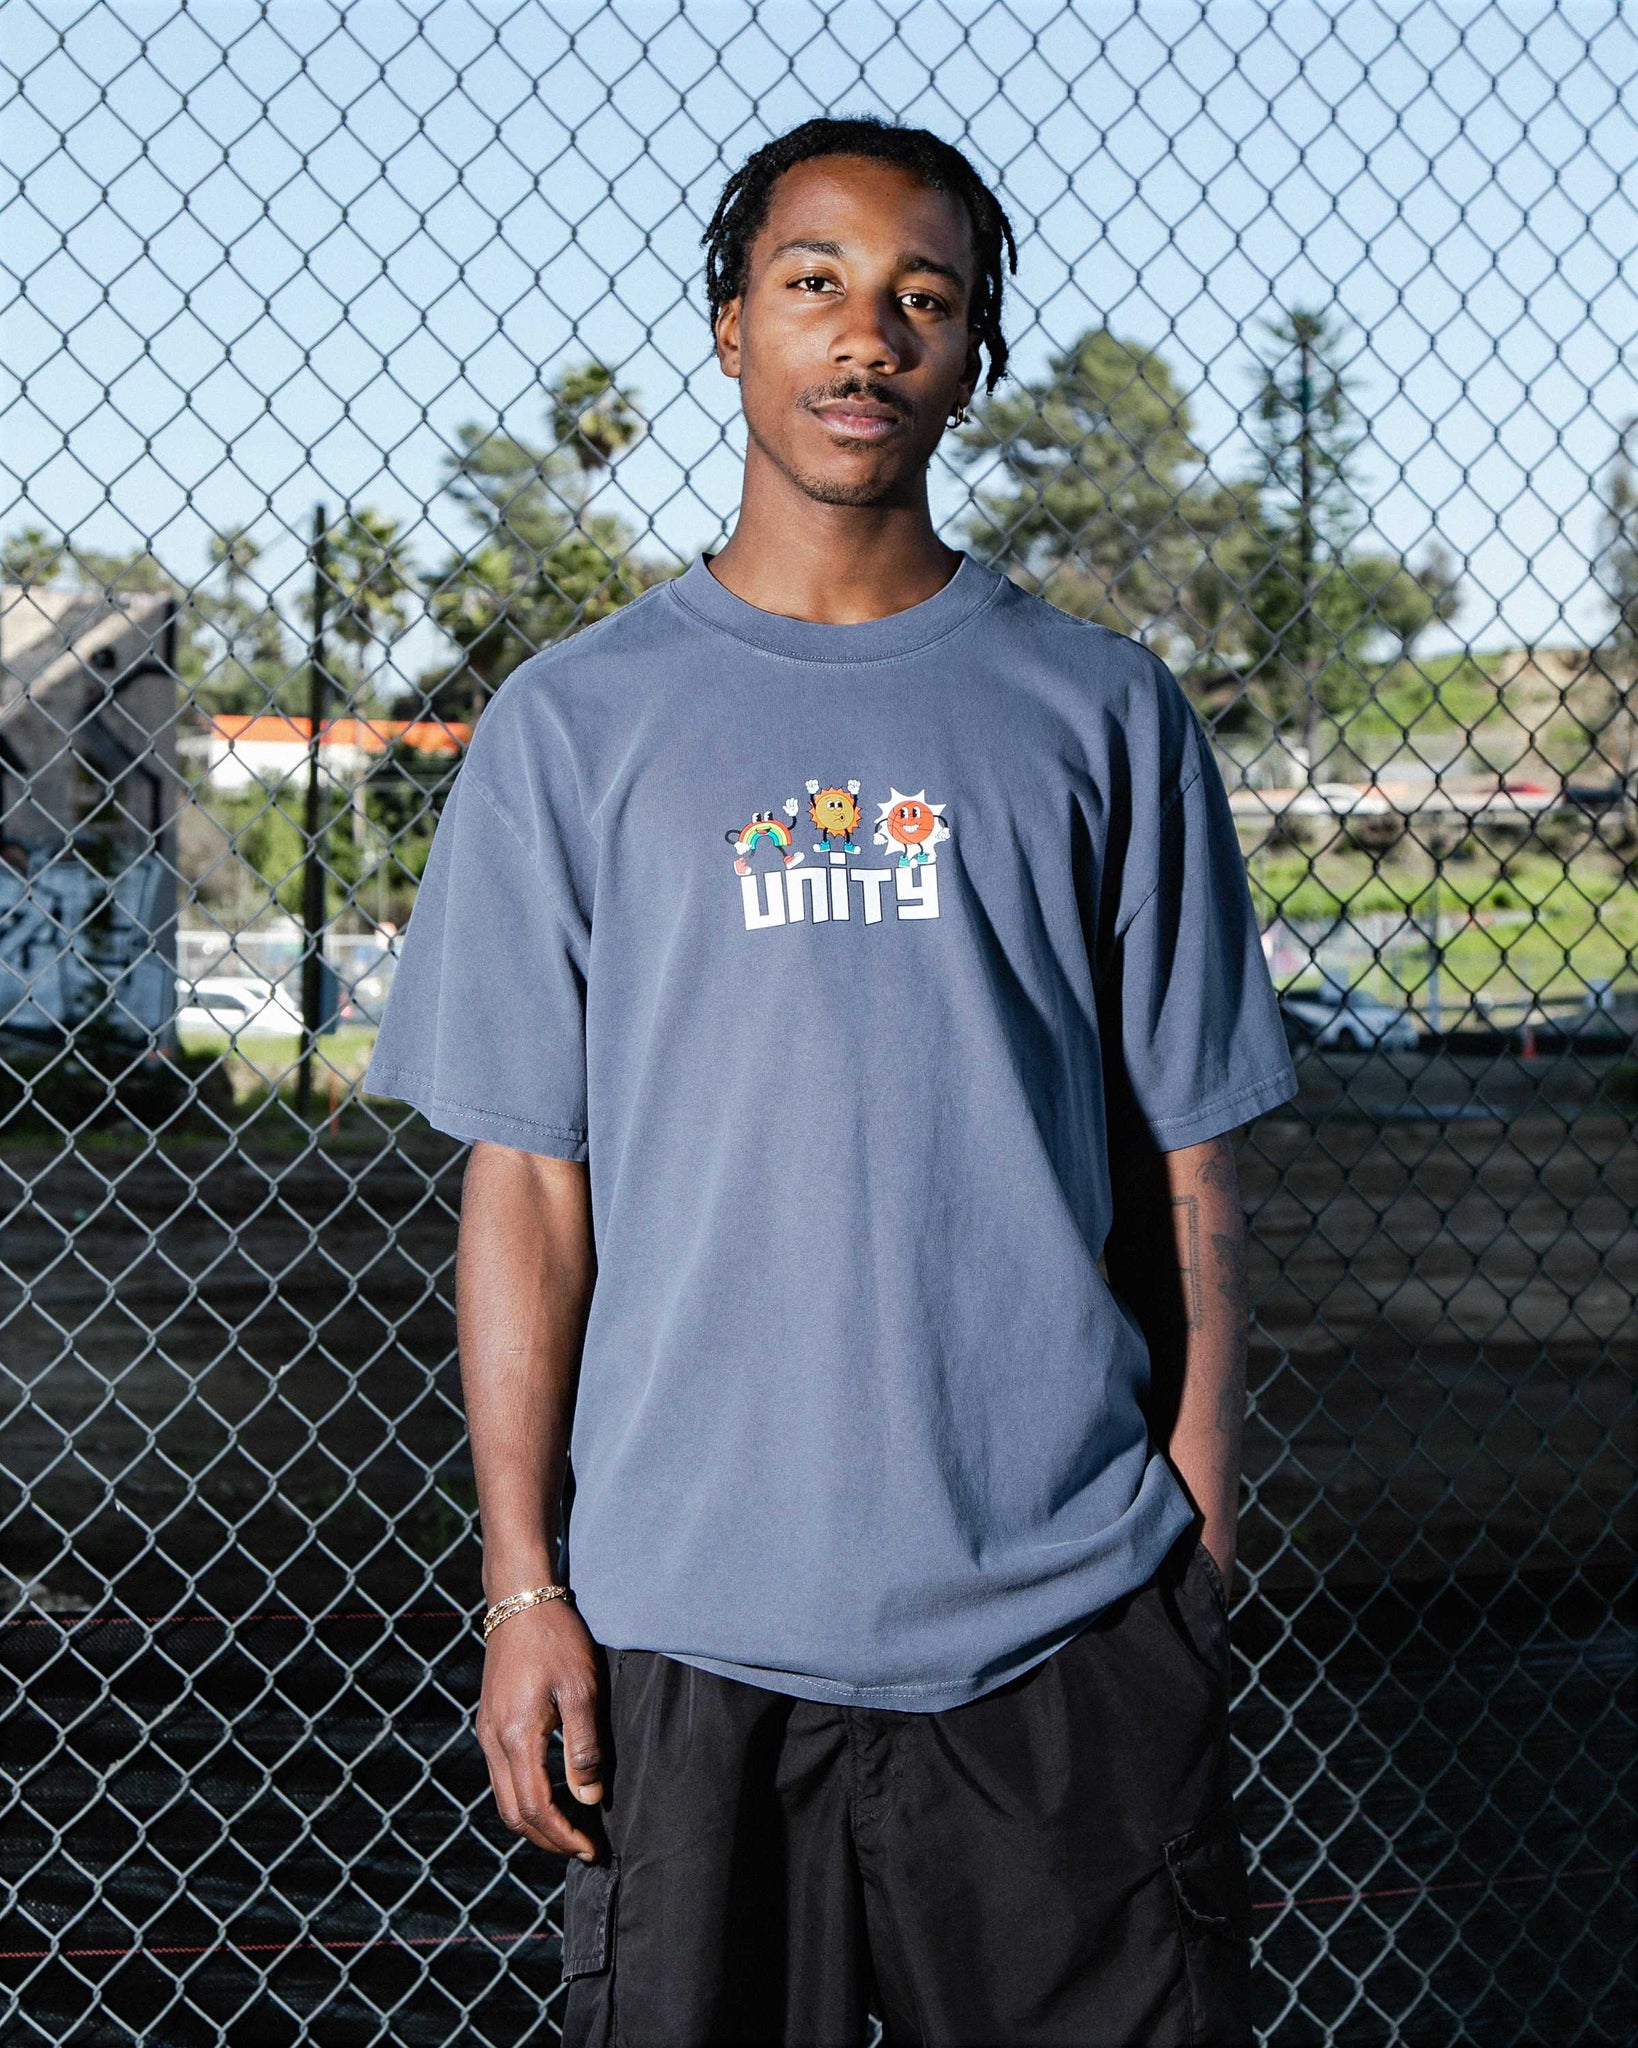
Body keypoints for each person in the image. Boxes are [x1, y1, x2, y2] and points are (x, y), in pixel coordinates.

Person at [364, 115, 1298, 2048]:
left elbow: (1188, 1157)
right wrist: (524, 1591)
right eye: (815, 285)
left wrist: (1190, 1537)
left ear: (972, 360)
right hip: (684, 1637)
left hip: (1058, 1632)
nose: (864, 335)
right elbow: (528, 1186)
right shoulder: (575, 724)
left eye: (921, 299)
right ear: (730, 330)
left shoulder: (1100, 711)